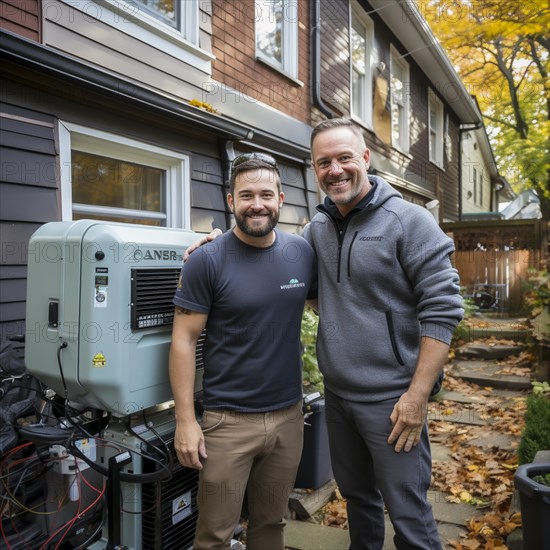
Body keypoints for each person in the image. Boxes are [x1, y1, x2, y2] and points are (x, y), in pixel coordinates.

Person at [185, 118, 463, 549]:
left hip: (393, 401)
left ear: (366, 159)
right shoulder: (316, 231)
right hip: (339, 398)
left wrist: (417, 396)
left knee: (408, 512)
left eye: (344, 158)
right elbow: (272, 258)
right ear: (315, 171)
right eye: (323, 162)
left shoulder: (410, 222)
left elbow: (443, 310)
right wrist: (217, 245)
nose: (335, 169)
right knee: (358, 501)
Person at [168, 152, 316, 550]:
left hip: (288, 418)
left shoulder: (301, 254)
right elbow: (183, 340)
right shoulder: (206, 261)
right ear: (230, 201)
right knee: (215, 534)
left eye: (266, 194)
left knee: (271, 525)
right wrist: (186, 420)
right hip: (226, 423)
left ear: (281, 199)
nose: (257, 204)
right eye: (246, 194)